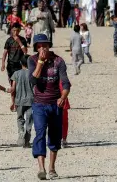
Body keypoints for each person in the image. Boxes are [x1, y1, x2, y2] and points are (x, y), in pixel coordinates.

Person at [28, 34, 71, 180]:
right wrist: (40, 61)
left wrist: (63, 97)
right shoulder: (32, 60)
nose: (43, 48)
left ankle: (52, 167)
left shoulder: (58, 61)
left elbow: (65, 83)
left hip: (55, 104)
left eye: (45, 45)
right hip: (39, 104)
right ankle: (41, 168)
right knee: (39, 133)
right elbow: (33, 80)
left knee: (54, 136)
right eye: (39, 46)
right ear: (36, 47)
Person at [1, 23, 27, 111]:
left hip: (19, 65)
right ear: (11, 30)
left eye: (17, 31)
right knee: (13, 85)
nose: (15, 32)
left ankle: (18, 101)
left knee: (19, 85)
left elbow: (25, 52)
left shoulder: (22, 40)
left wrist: (19, 41)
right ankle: (13, 102)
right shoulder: (9, 40)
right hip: (11, 66)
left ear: (20, 31)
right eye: (14, 30)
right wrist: (3, 64)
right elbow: (5, 53)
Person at [9, 54, 34, 148]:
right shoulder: (33, 73)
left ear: (20, 63)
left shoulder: (16, 74)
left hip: (19, 100)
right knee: (29, 120)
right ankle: (27, 142)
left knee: (20, 118)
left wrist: (12, 101)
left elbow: (13, 89)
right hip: (31, 100)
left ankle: (21, 131)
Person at [60, 80, 70, 149]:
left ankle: (62, 139)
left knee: (62, 122)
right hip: (63, 103)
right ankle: (63, 139)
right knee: (64, 123)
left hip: (59, 103)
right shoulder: (63, 78)